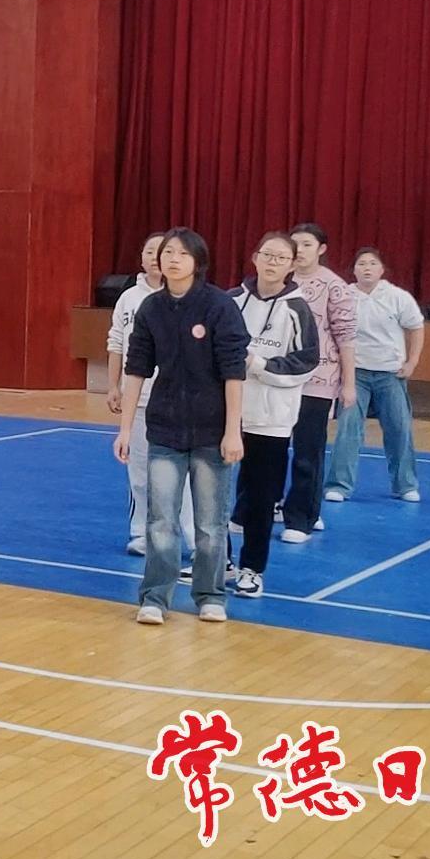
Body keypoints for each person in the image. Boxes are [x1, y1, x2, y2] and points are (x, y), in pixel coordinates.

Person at [114, 228, 249, 625]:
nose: (172, 259)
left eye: (182, 254)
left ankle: (210, 595)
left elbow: (234, 373)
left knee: (210, 523)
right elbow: (136, 370)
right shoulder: (150, 308)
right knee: (160, 520)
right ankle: (155, 597)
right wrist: (125, 429)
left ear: (197, 262)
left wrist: (233, 430)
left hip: (211, 430)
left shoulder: (219, 306)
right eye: (167, 252)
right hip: (164, 429)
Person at [226, 233, 319, 598]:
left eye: (281, 258)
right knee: (212, 492)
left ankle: (252, 569)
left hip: (271, 420)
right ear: (254, 257)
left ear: (292, 265)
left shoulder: (297, 309)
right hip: (227, 415)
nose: (272, 262)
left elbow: (306, 362)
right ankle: (219, 560)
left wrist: (258, 364)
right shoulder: (232, 300)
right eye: (267, 255)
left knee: (261, 497)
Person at [107, 231, 196, 559]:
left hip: (180, 400)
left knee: (185, 476)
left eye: (170, 251)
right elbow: (117, 341)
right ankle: (141, 533)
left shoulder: (191, 299)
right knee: (140, 472)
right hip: (141, 399)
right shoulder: (129, 298)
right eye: (151, 251)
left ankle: (195, 541)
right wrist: (113, 385)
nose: (160, 258)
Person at [324, 247, 425, 503]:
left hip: (390, 373)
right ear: (354, 270)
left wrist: (412, 362)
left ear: (381, 270)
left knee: (399, 428)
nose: (366, 268)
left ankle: (405, 485)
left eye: (372, 264)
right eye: (361, 264)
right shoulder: (344, 295)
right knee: (348, 429)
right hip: (354, 373)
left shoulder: (397, 297)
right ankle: (339, 485)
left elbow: (416, 327)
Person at [280, 223, 357, 543]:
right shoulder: (280, 280)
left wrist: (348, 383)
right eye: (294, 243)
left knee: (307, 451)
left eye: (307, 244)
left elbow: (346, 337)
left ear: (321, 249)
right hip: (277, 377)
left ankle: (303, 517)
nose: (299, 250)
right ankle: (264, 505)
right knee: (270, 447)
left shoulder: (334, 286)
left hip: (318, 379)